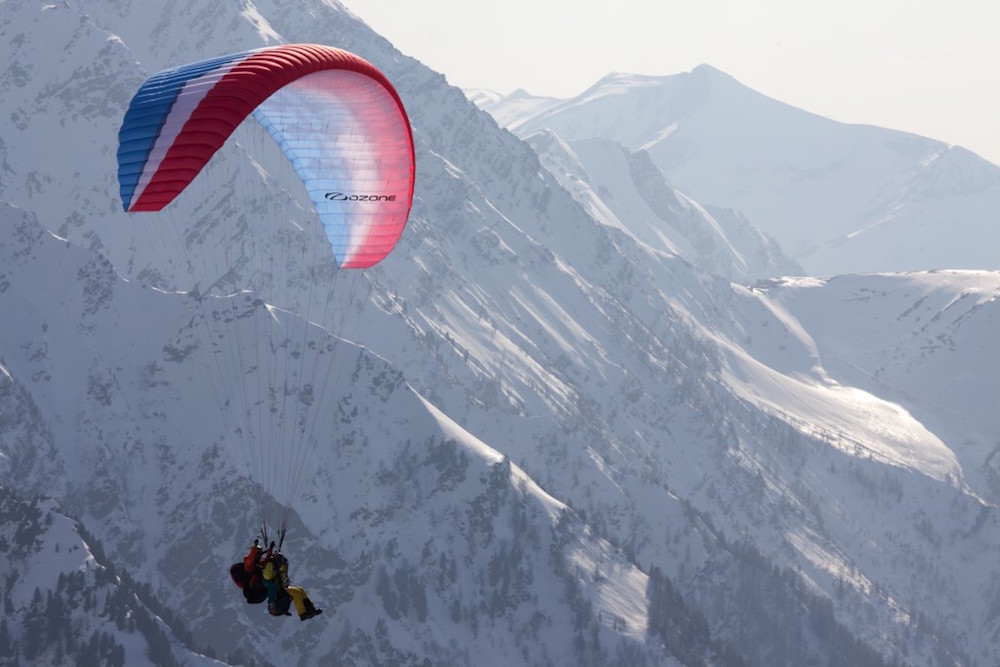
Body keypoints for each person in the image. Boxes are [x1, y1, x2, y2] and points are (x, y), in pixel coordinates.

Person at [260, 545, 323, 621]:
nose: (279, 564)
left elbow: (284, 573)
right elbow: (267, 575)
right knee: (296, 592)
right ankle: (302, 614)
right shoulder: (268, 572)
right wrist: (270, 562)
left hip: (281, 590)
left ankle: (310, 609)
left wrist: (284, 563)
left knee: (300, 589)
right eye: (279, 562)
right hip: (277, 593)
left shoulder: (278, 571)